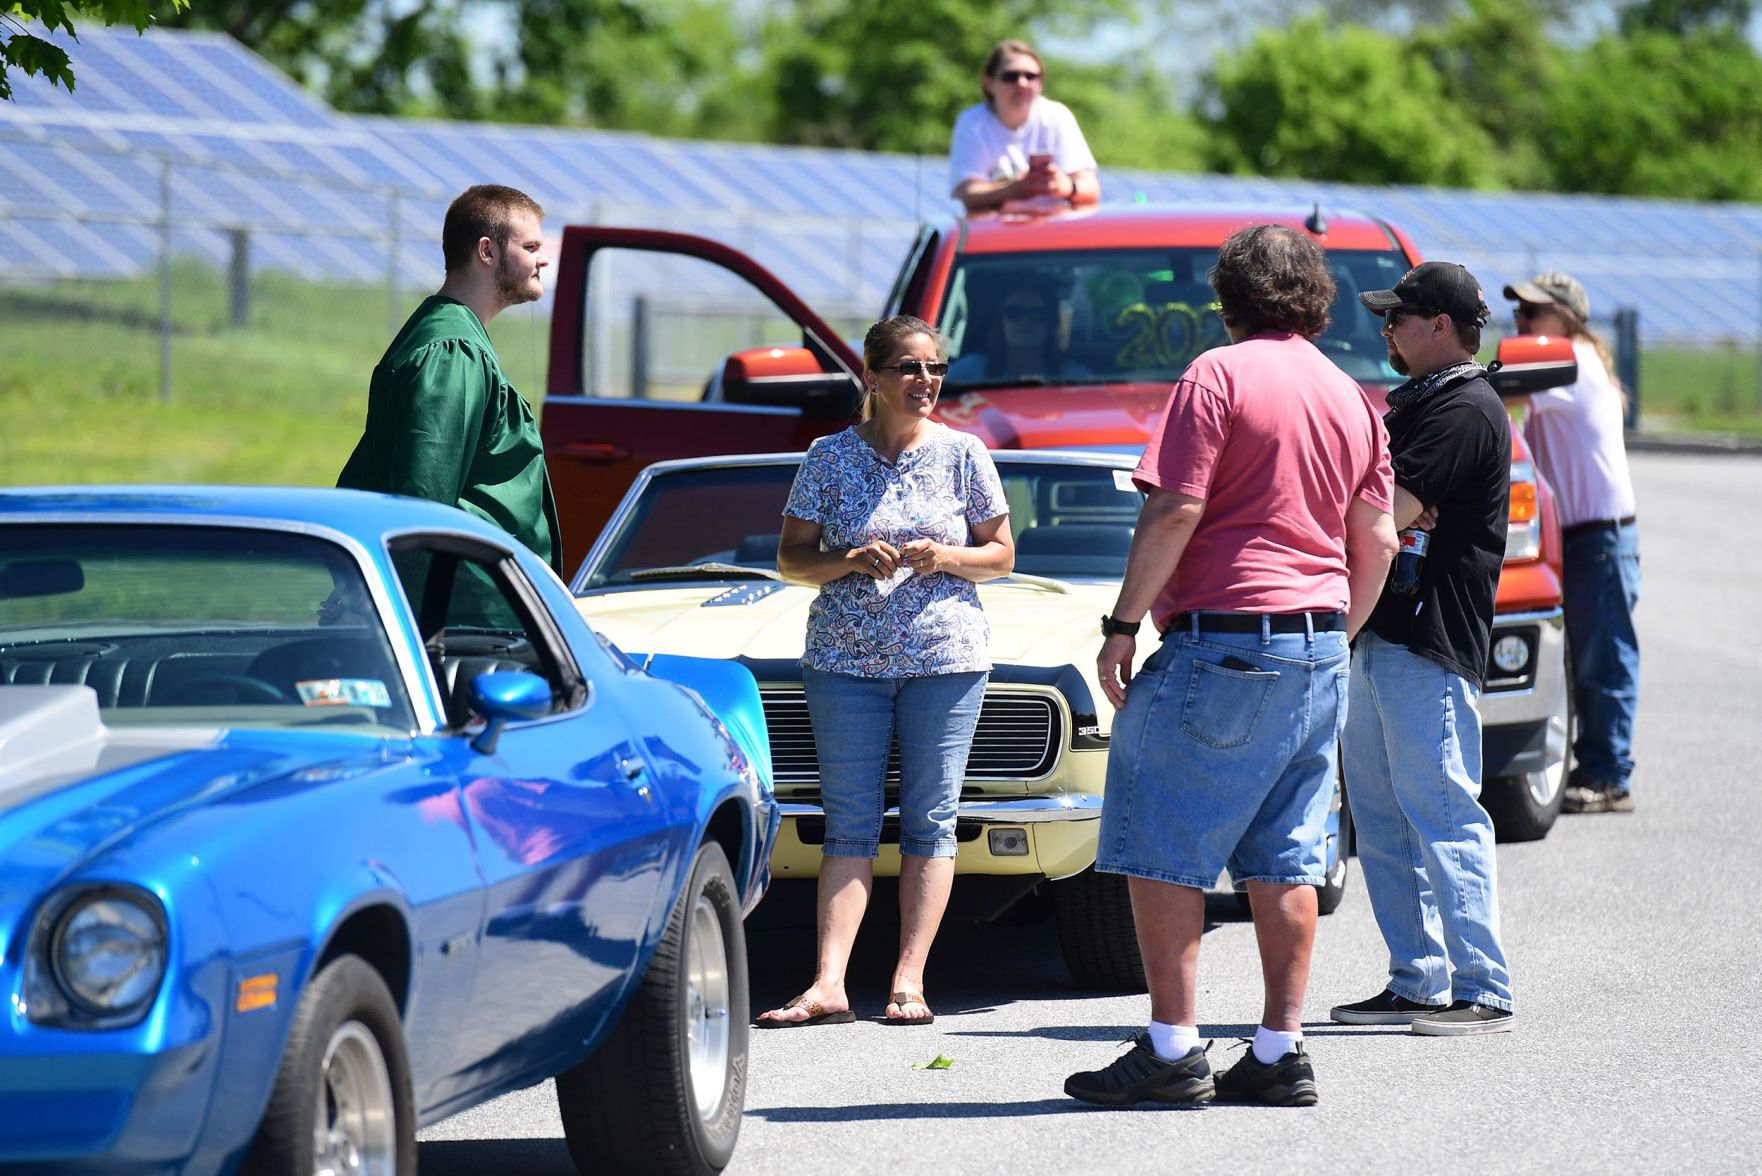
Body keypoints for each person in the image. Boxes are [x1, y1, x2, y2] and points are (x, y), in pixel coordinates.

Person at [1063, 225, 1396, 1107]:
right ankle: (1279, 1050)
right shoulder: (1351, 395)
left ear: (1228, 297)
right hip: (1317, 646)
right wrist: (1335, 634)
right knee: (1287, 857)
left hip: (1225, 642)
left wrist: (1122, 624)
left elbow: (1176, 508)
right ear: (1315, 298)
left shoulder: (1216, 375)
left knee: (1162, 844)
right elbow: (1378, 539)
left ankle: (1173, 1049)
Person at [755, 315, 1015, 1028]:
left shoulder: (964, 453)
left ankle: (909, 980)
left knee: (931, 819)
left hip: (945, 658)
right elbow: (791, 559)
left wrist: (946, 555)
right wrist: (847, 558)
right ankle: (828, 983)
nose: (925, 380)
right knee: (849, 823)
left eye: (935, 367)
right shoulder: (828, 456)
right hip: (844, 661)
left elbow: (1001, 554)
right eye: (908, 367)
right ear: (871, 376)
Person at [1330, 261, 1517, 1037]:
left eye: (1397, 316)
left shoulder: (1464, 407)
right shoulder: (1420, 403)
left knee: (1441, 811)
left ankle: (1484, 988)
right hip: (1382, 631)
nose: (1385, 329)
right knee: (1382, 821)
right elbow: (1378, 511)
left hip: (1429, 638)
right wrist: (1374, 509)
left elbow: (1382, 512)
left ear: (1440, 324)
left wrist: (1375, 508)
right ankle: (1418, 982)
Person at [338, 183, 563, 576]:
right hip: (462, 603)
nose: (542, 259)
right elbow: (423, 505)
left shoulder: (453, 335)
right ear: (487, 251)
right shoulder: (452, 350)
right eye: (530, 247)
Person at [1503, 271, 1640, 814]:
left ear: (1565, 320)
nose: (1521, 321)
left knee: (1604, 659)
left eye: (1533, 312)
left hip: (1598, 535)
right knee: (1589, 656)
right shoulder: (1569, 366)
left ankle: (1608, 776)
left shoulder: (1571, 361)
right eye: (1518, 312)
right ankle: (1598, 767)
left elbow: (1501, 384)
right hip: (1586, 536)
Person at [949, 39, 1099, 213]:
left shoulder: (1057, 116)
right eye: (1010, 76)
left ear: (1041, 84)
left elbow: (1091, 187)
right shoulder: (973, 122)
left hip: (1054, 224)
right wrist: (1016, 188)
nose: (1022, 83)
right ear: (989, 84)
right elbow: (968, 193)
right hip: (997, 227)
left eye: (1031, 76)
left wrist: (1065, 186)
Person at [946, 283, 1088, 382]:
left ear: (1050, 323)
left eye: (1038, 314)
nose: (1026, 322)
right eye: (1015, 313)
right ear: (1000, 322)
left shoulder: (1076, 379)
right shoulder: (966, 373)